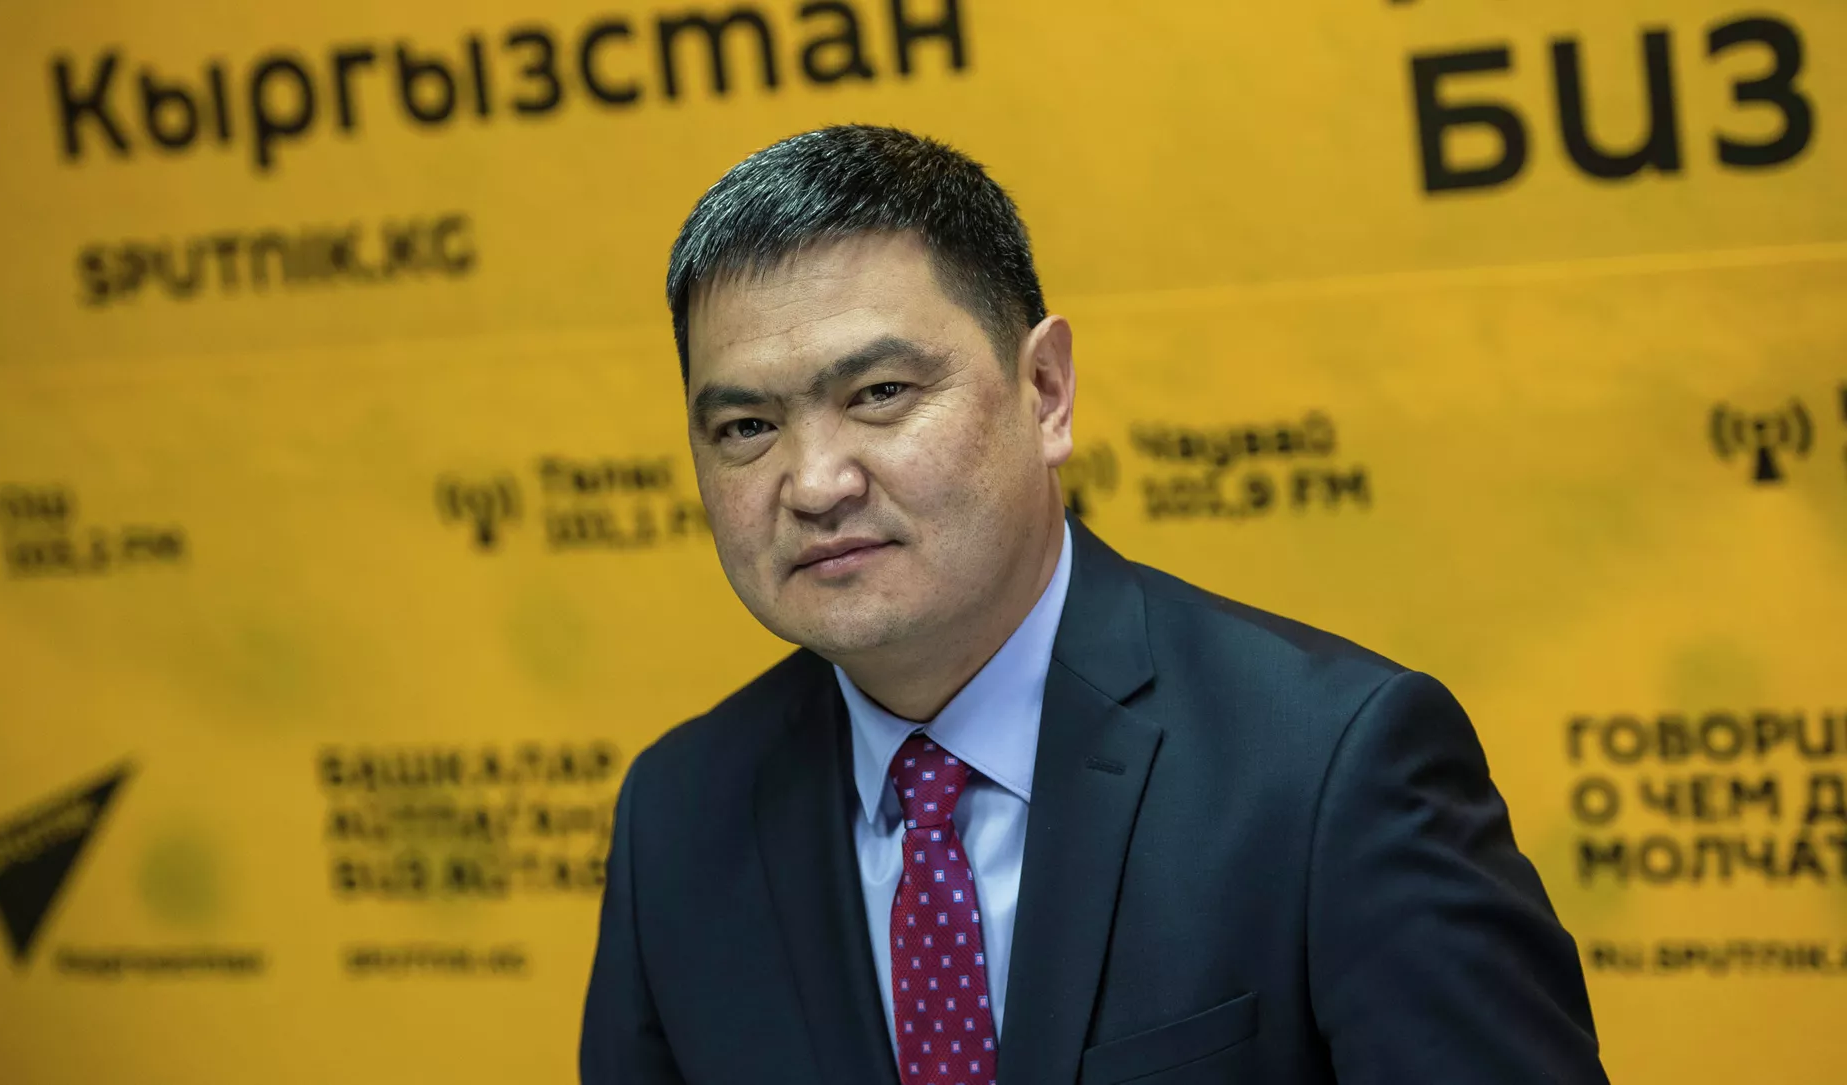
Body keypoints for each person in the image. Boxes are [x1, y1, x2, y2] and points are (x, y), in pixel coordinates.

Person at [581, 124, 1609, 1085]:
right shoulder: (680, 815)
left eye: (880, 394)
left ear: (1046, 391)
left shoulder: (1326, 769)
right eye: (747, 426)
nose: (815, 483)